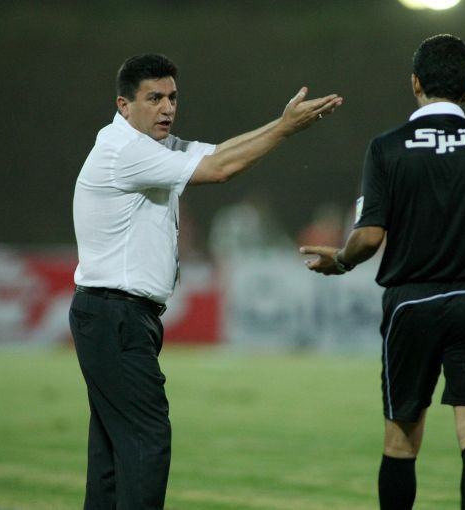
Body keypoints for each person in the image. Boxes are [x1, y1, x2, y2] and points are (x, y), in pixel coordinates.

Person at [69, 53, 342, 509]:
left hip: (113, 316)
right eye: (154, 98)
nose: (167, 108)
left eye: (172, 97)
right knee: (146, 441)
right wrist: (285, 129)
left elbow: (217, 154)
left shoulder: (143, 145)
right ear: (123, 105)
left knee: (112, 455)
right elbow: (220, 170)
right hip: (116, 316)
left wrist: (282, 123)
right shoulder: (127, 151)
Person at [300, 35, 465, 509]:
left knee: (401, 441)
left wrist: (341, 260)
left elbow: (368, 237)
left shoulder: (386, 148)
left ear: (415, 83)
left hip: (409, 304)